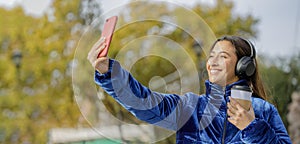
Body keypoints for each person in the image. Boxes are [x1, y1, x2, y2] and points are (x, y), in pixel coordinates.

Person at [87, 35, 292, 143]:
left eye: (223, 56)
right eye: (211, 56)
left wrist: (252, 128)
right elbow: (144, 102)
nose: (213, 62)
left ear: (243, 66)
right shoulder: (191, 107)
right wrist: (110, 74)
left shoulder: (263, 111)